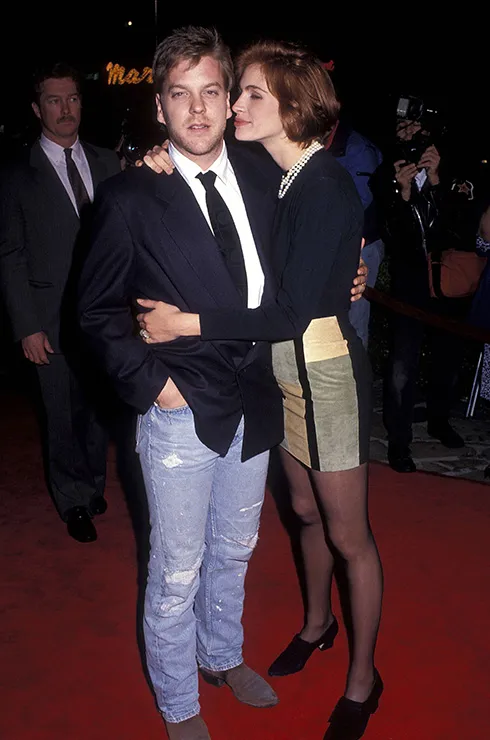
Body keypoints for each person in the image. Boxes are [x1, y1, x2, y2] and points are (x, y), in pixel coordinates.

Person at [77, 27, 367, 740]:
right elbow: (95, 312)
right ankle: (179, 702)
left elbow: (306, 261)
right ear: (159, 106)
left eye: (213, 91)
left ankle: (222, 655)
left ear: (229, 95)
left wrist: (346, 277)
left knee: (235, 549)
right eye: (181, 95)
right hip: (179, 407)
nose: (200, 109)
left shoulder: (269, 176)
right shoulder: (129, 196)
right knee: (176, 570)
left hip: (257, 399)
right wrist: (155, 388)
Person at [0, 63, 121, 542]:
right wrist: (26, 325)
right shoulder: (17, 174)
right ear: (37, 109)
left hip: (105, 317)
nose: (65, 108)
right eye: (54, 100)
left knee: (98, 408)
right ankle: (71, 499)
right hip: (48, 318)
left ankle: (92, 483)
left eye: (72, 98)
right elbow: (10, 254)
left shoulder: (108, 163)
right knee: (60, 414)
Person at [377, 118, 475, 473]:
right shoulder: (385, 173)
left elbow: (461, 228)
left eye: (418, 131)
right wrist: (402, 194)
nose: (412, 137)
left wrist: (436, 182)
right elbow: (390, 233)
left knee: (447, 358)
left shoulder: (452, 173)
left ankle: (439, 420)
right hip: (410, 284)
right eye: (404, 130)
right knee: (402, 364)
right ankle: (399, 441)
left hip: (447, 281)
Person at [326, 116, 384, 347]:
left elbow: (357, 206)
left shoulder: (358, 149)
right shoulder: (315, 142)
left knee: (353, 321)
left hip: (362, 246)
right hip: (331, 242)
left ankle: (356, 369)